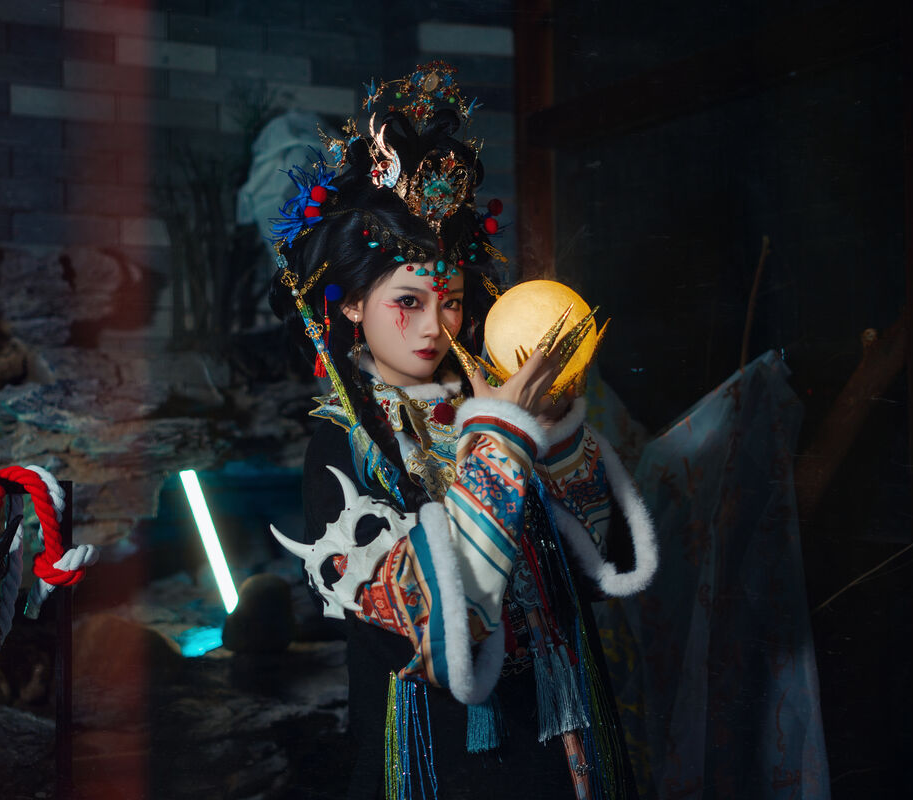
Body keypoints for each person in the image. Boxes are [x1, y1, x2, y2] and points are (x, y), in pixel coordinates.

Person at [268, 63, 658, 800]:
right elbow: (422, 624)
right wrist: (502, 443)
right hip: (442, 751)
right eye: (407, 301)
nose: (433, 326)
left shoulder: (490, 401)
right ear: (350, 305)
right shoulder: (342, 446)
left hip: (557, 730)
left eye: (448, 300)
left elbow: (600, 572)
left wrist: (557, 437)